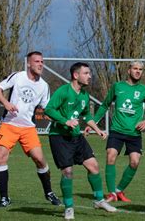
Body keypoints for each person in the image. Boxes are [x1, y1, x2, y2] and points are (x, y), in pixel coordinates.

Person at [45, 62, 117, 220]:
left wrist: (97, 130)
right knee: (68, 172)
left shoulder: (84, 95)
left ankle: (99, 200)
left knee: (94, 166)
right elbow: (49, 109)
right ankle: (69, 208)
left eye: (89, 73)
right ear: (75, 75)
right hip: (60, 137)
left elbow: (86, 116)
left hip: (77, 137)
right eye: (86, 73)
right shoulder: (63, 91)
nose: (90, 76)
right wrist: (66, 121)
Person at [0, 51, 61, 207]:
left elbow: (47, 109)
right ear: (29, 63)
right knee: (1, 156)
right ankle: (4, 198)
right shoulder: (18, 76)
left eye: (42, 61)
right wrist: (6, 103)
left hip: (28, 128)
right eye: (37, 61)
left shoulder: (44, 86)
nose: (40, 64)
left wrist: (62, 120)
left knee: (40, 160)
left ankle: (49, 192)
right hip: (9, 125)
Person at [91, 61, 145, 202]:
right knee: (111, 155)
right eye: (135, 68)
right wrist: (93, 122)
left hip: (134, 133)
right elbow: (105, 105)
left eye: (140, 69)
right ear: (129, 70)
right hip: (117, 130)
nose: (138, 71)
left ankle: (119, 190)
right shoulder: (117, 86)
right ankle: (111, 193)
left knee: (134, 162)